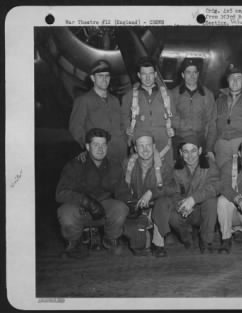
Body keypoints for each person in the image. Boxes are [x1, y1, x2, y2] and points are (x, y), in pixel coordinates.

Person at [56, 128, 131, 258]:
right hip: (80, 208)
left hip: (103, 208)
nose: (100, 148)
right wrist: (86, 201)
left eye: (103, 144)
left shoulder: (114, 165)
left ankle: (110, 239)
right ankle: (74, 243)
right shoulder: (75, 165)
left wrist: (132, 203)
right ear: (87, 146)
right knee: (65, 212)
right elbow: (60, 193)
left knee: (121, 208)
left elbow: (122, 191)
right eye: (96, 144)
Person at [151, 134, 220, 257]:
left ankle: (206, 240)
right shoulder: (176, 168)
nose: (190, 156)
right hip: (184, 210)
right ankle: (186, 237)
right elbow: (173, 191)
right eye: (186, 152)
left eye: (193, 151)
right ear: (181, 153)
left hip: (201, 211)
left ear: (199, 150)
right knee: (172, 216)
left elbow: (216, 186)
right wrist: (182, 205)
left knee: (211, 201)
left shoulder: (209, 165)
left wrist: (193, 199)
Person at [122, 130, 176, 256]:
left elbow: (173, 187)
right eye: (141, 145)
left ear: (154, 146)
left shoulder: (163, 166)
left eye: (148, 145)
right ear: (135, 148)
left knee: (163, 203)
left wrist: (152, 192)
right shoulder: (127, 164)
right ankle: (143, 233)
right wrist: (131, 203)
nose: (145, 149)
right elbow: (119, 187)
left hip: (155, 206)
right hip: (136, 208)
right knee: (139, 247)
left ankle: (158, 243)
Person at [69, 60, 127, 163]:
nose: (104, 79)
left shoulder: (115, 100)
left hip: (120, 155)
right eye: (100, 76)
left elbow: (121, 124)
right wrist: (90, 147)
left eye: (107, 76)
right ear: (92, 78)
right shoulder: (83, 100)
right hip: (99, 157)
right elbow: (75, 129)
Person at [121, 57, 175, 167]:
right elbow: (123, 116)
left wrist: (173, 129)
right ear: (139, 75)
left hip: (163, 142)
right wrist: (129, 131)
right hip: (141, 143)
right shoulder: (129, 96)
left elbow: (174, 116)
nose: (147, 77)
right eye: (144, 74)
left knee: (165, 175)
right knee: (140, 176)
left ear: (155, 74)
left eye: (150, 74)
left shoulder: (167, 95)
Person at [170, 58, 217, 160]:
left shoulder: (207, 95)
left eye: (195, 72)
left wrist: (209, 148)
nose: (192, 76)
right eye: (188, 72)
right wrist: (188, 125)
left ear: (198, 74)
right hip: (179, 140)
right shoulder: (173, 94)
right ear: (183, 75)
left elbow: (211, 123)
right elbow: (171, 118)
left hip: (199, 141)